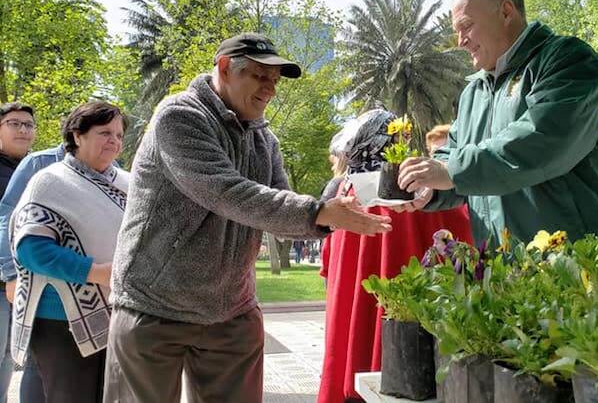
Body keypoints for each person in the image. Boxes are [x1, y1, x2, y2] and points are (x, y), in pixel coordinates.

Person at [104, 33, 391, 403]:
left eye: (274, 80)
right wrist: (317, 212)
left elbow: (280, 209)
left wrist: (335, 207)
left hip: (232, 310)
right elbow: (226, 192)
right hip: (155, 305)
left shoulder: (264, 139)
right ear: (225, 68)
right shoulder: (179, 117)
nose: (270, 89)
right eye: (259, 76)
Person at [397, 0, 598, 246]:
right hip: (507, 274)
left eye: (466, 26)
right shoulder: (473, 92)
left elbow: (543, 139)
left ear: (506, 12)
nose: (460, 41)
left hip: (582, 267)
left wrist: (451, 171)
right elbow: (454, 156)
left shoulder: (566, 60)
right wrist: (427, 188)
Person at [318, 109, 472, 403]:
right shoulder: (430, 193)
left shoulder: (344, 195)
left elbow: (329, 270)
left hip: (355, 338)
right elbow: (467, 246)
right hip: (418, 351)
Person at [10, 102, 129, 403]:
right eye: (104, 133)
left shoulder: (128, 183)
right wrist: (98, 273)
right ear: (77, 136)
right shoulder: (49, 181)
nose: (114, 141)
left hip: (120, 313)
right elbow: (31, 250)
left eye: (118, 134)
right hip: (59, 321)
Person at [0, 102, 38, 403]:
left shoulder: (39, 167)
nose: (23, 130)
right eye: (15, 123)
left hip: (27, 282)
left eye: (28, 125)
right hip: (5, 280)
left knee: (10, 362)